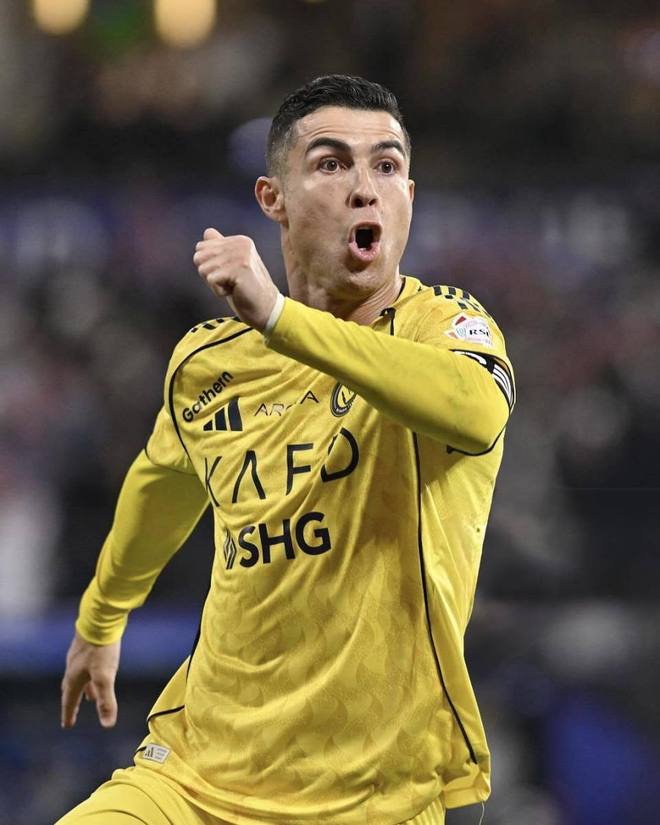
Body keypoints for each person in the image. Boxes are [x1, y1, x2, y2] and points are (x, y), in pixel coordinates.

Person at [57, 74, 515, 825]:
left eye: (387, 166)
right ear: (273, 198)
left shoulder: (444, 327)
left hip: (375, 797)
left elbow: (476, 414)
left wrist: (277, 316)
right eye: (332, 164)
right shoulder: (207, 363)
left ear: (408, 197)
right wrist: (100, 622)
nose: (365, 188)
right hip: (194, 778)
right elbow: (161, 488)